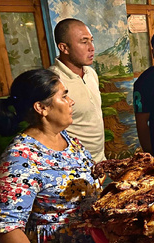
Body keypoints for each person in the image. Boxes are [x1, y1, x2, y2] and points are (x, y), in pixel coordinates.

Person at [0, 69, 101, 243]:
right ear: (42, 107)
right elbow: (6, 225)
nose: (71, 101)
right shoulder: (21, 158)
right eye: (64, 96)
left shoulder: (68, 140)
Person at [49, 18, 105, 163]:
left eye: (91, 41)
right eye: (84, 42)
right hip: (75, 166)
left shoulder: (90, 73)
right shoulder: (53, 81)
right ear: (64, 48)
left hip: (101, 161)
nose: (91, 47)